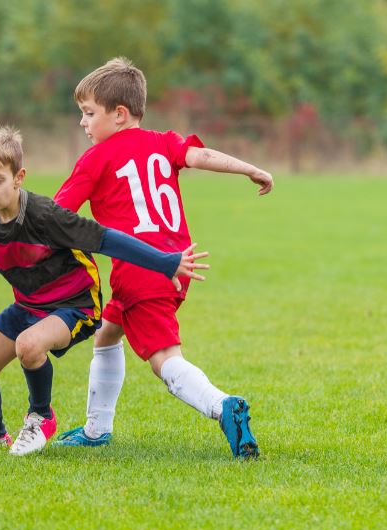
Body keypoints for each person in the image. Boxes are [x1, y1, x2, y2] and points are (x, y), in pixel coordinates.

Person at [0, 126, 209, 456]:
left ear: (19, 177)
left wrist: (165, 262)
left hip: (75, 305)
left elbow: (107, 239)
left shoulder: (45, 216)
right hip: (30, 305)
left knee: (28, 345)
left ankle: (40, 417)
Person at [53, 57, 273, 459]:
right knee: (107, 333)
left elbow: (57, 214)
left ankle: (222, 405)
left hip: (140, 270)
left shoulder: (95, 159)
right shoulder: (163, 141)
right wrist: (251, 169)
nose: (83, 123)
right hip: (177, 262)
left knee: (165, 360)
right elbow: (201, 157)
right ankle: (97, 428)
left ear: (119, 114)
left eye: (88, 114)